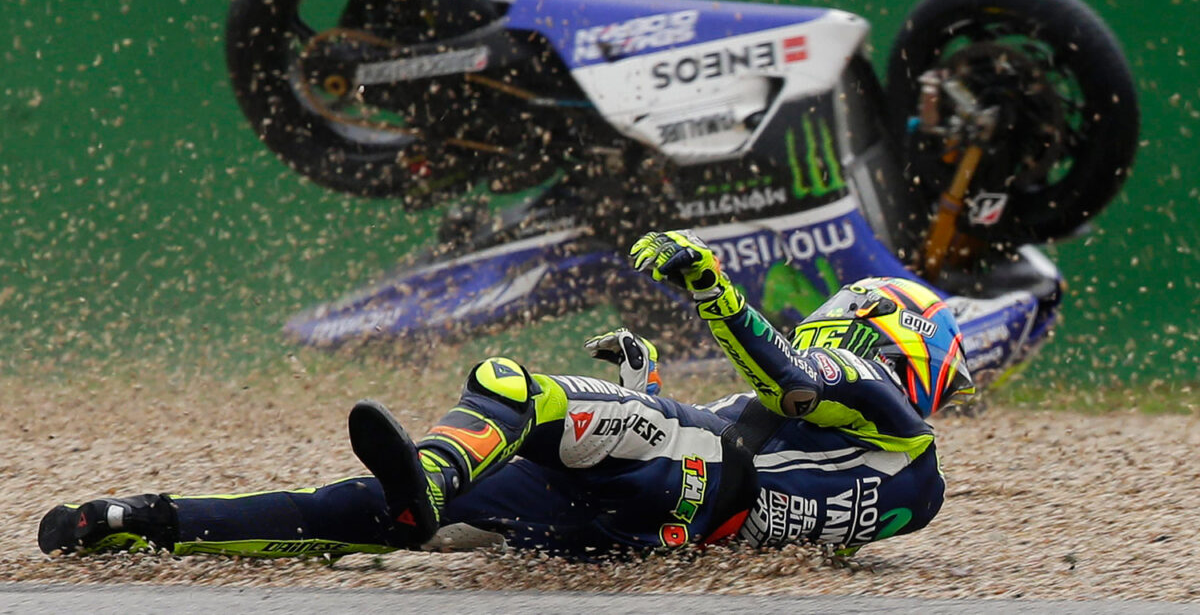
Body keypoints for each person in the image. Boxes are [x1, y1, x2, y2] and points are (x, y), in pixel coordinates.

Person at [38, 230, 973, 559]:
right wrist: (641, 385)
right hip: (651, 534)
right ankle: (151, 520)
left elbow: (795, 384)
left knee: (502, 387)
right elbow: (782, 472)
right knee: (367, 510)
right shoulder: (912, 493)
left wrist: (714, 291)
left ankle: (427, 486)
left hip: (682, 470)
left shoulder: (869, 390)